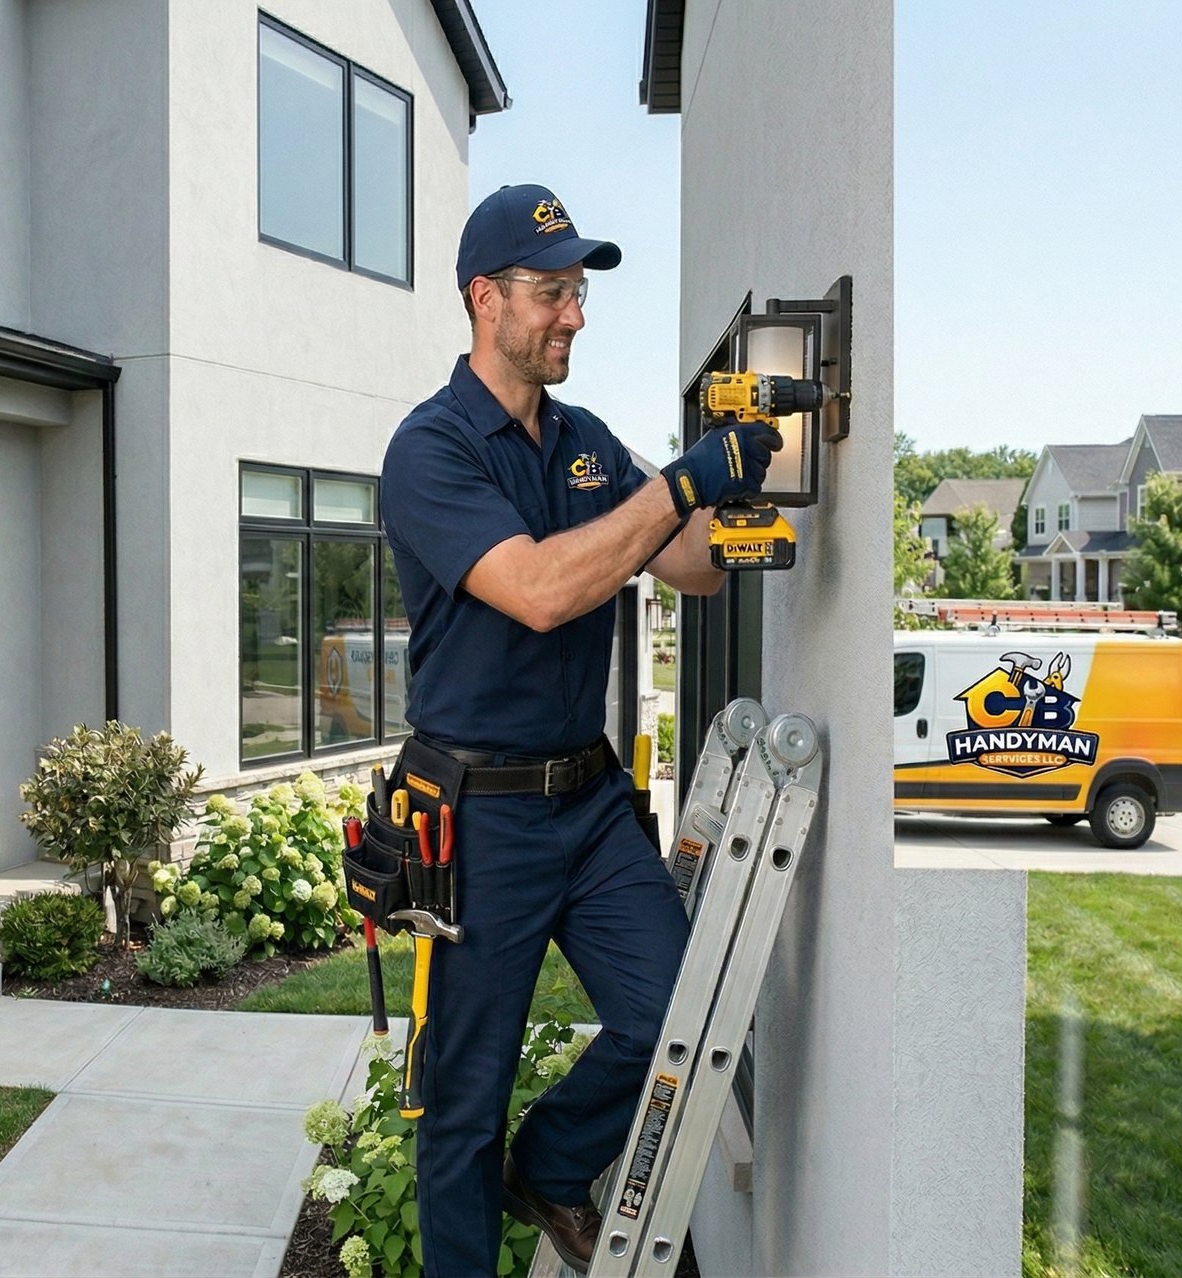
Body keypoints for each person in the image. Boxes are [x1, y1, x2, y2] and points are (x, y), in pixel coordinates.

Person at [379, 184, 781, 1275]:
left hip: (592, 807)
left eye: (580, 292)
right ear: (485, 300)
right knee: (460, 1110)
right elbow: (545, 590)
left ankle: (551, 1166)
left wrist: (738, 487)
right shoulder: (431, 452)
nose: (575, 315)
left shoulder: (588, 443)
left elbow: (686, 564)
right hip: (477, 822)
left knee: (682, 1022)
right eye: (552, 292)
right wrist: (680, 485)